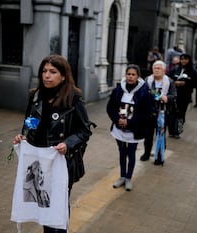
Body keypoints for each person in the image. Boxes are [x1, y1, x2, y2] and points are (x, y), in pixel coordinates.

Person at [13, 54, 93, 233]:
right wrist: (24, 136)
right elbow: (30, 122)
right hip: (38, 163)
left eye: (53, 72)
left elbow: (85, 130)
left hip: (61, 163)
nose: (47, 75)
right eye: (44, 71)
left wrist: (68, 144)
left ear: (63, 76)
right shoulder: (35, 96)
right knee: (44, 205)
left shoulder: (73, 97)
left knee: (59, 208)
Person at [107, 64, 153, 191]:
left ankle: (128, 178)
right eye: (128, 74)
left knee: (131, 153)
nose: (130, 77)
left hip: (134, 130)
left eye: (133, 75)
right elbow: (110, 107)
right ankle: (122, 176)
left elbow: (147, 113)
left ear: (138, 76)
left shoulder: (144, 92)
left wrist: (130, 122)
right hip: (119, 128)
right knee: (122, 152)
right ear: (125, 75)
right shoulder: (118, 89)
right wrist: (117, 120)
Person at [140, 60, 172, 163]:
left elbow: (174, 95)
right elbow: (143, 93)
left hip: (163, 112)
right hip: (150, 112)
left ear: (164, 70)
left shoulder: (169, 81)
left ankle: (159, 156)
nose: (156, 70)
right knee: (148, 134)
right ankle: (147, 153)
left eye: (159, 68)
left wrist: (166, 98)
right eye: (155, 68)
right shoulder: (148, 80)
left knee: (161, 134)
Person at [168, 53, 197, 134]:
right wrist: (175, 82)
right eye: (182, 59)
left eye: (185, 59)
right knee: (172, 113)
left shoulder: (192, 71)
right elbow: (168, 79)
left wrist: (185, 84)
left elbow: (196, 83)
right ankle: (171, 131)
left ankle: (178, 131)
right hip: (174, 95)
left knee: (181, 114)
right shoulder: (175, 69)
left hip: (185, 96)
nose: (183, 61)